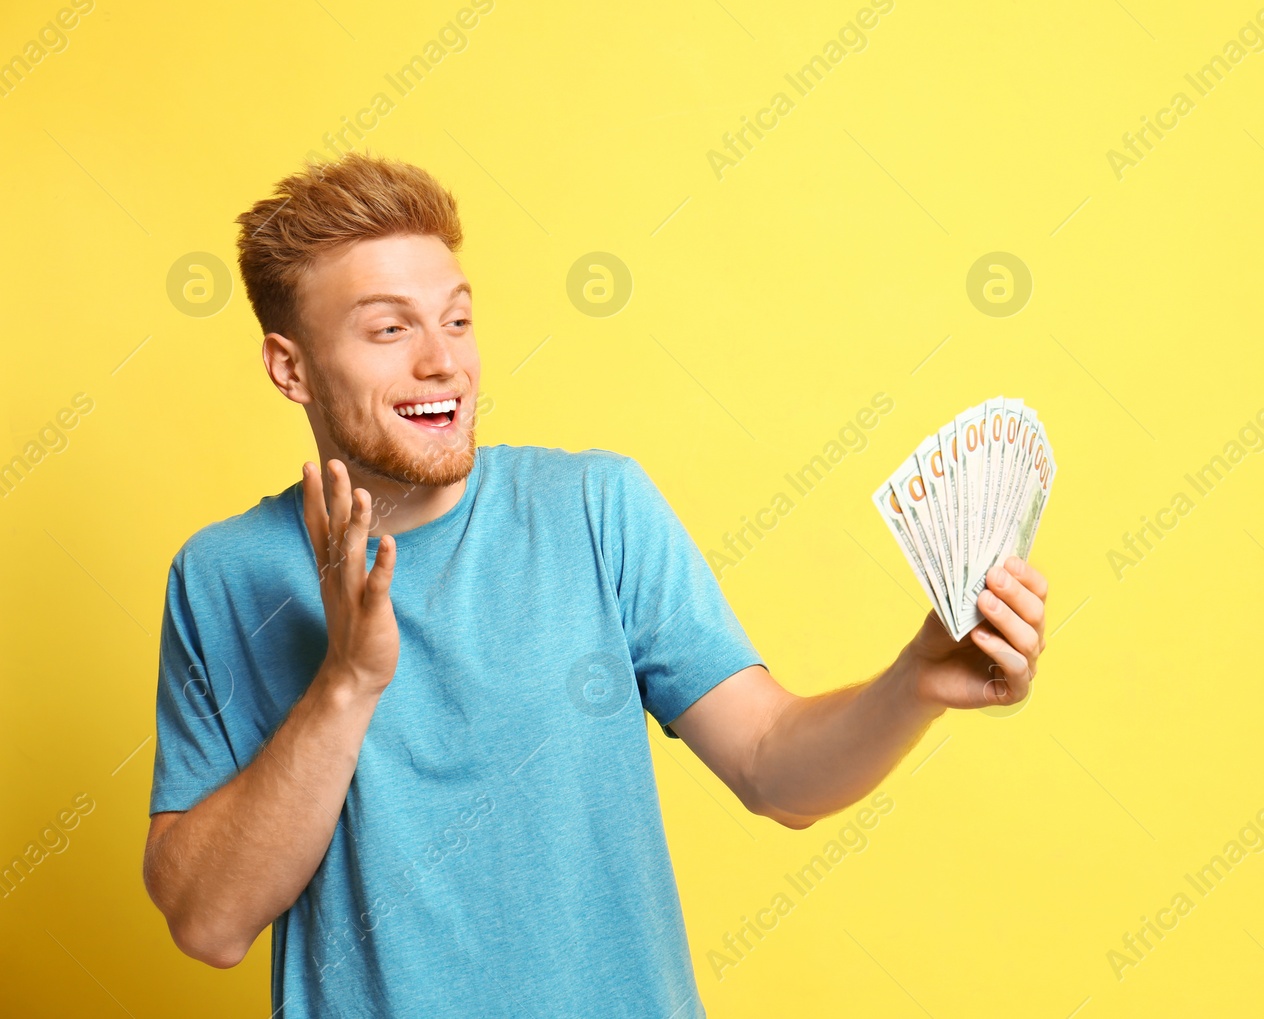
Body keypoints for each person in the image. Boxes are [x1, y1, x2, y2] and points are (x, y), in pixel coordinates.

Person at [140, 152, 1050, 1018]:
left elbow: (776, 769)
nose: (442, 362)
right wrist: (346, 680)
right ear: (289, 366)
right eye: (390, 328)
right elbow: (209, 921)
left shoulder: (594, 508)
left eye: (458, 319)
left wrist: (915, 681)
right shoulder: (224, 577)